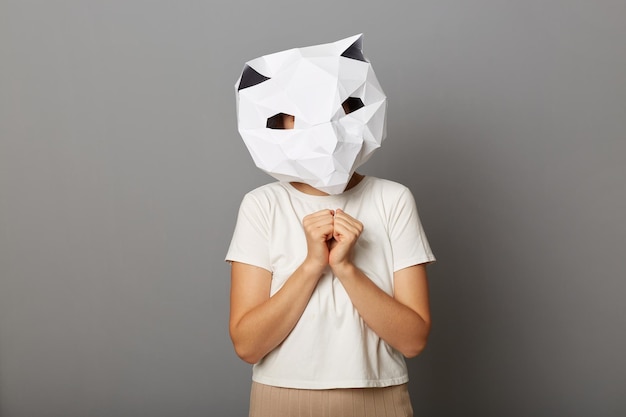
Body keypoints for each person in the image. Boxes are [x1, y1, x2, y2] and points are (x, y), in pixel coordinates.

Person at [226, 35, 435, 417]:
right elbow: (248, 346)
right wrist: (311, 266)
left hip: (379, 397)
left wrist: (345, 267)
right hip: (281, 398)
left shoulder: (393, 200)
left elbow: (414, 339)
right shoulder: (263, 205)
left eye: (345, 107)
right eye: (298, 114)